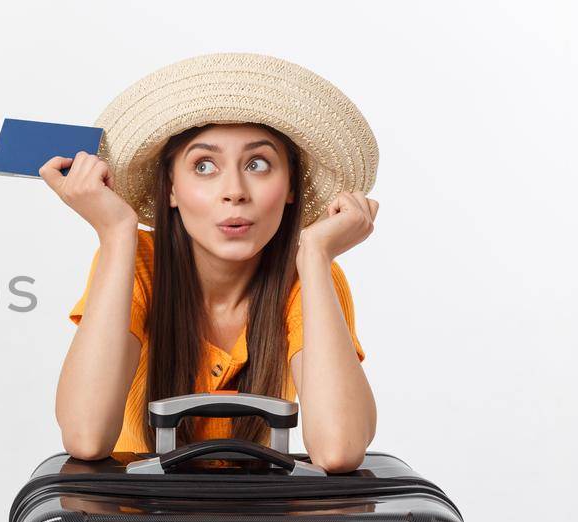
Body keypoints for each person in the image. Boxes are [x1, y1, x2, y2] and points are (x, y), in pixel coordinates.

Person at [43, 53, 382, 473]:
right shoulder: (136, 263)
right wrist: (115, 234)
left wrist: (314, 255)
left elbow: (340, 450)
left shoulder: (311, 277)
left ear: (291, 186)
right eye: (204, 166)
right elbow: (85, 436)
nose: (234, 191)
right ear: (171, 188)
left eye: (258, 164)